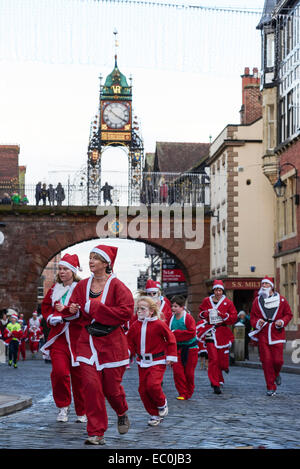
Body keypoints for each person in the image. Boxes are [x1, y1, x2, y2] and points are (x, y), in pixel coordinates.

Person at [65, 244, 134, 446]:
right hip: (87, 343)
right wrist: (72, 309)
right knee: (91, 387)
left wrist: (95, 307)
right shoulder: (82, 285)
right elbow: (75, 312)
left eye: (95, 258)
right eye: (90, 257)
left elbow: (125, 312)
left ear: (106, 263)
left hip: (112, 345)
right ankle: (96, 432)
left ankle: (121, 412)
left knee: (112, 390)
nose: (91, 261)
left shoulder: (118, 286)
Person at [41, 253, 86, 423]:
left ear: (73, 271)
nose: (61, 272)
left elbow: (82, 311)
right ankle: (63, 406)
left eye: (65, 269)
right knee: (59, 373)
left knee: (80, 377)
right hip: (59, 338)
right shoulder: (54, 289)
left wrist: (64, 312)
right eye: (60, 268)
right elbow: (46, 307)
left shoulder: (82, 288)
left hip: (78, 339)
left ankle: (82, 410)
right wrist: (51, 316)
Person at [127, 296, 177, 427]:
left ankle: (162, 403)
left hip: (157, 361)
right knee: (142, 390)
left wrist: (171, 357)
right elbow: (129, 342)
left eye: (142, 309)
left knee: (153, 385)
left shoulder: (159, 324)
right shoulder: (135, 325)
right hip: (141, 362)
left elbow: (171, 339)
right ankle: (154, 414)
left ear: (151, 311)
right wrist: (126, 354)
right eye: (138, 309)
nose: (139, 311)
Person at [249, 276, 293, 396]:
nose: (263, 286)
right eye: (262, 284)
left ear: (271, 286)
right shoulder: (257, 301)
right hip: (263, 334)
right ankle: (270, 386)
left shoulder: (281, 300)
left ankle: (276, 373)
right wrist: (258, 322)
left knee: (278, 361)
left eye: (266, 284)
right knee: (267, 361)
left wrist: (282, 322)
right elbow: (252, 317)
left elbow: (288, 314)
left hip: (277, 334)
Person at [198, 280, 237, 395]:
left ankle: (222, 372)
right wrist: (206, 314)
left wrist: (223, 315)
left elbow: (233, 318)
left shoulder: (228, 303)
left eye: (220, 290)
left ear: (222, 291)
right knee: (213, 359)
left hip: (222, 332)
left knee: (222, 361)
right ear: (213, 290)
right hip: (210, 331)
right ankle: (215, 383)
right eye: (216, 290)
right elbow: (201, 313)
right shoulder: (207, 301)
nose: (218, 292)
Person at [169, 295, 198, 400]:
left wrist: (175, 333)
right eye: (172, 306)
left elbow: (191, 333)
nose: (173, 308)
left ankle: (189, 392)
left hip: (191, 349)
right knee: (177, 372)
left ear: (182, 307)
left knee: (189, 373)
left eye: (176, 306)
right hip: (177, 349)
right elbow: (168, 333)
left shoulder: (188, 318)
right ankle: (182, 393)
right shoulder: (170, 319)